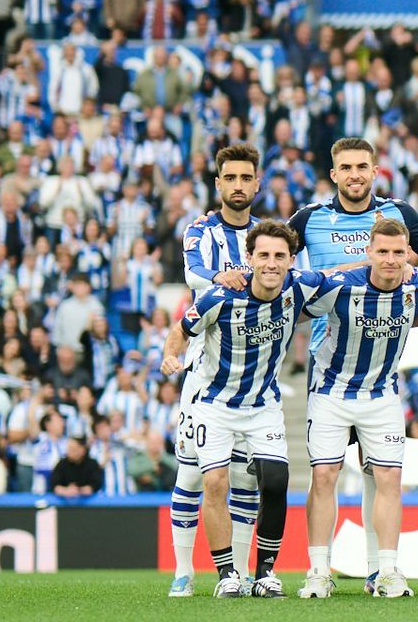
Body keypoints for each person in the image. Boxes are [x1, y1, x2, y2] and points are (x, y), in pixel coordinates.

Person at [161, 221, 335, 598]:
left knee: (275, 481)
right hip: (215, 404)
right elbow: (182, 328)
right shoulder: (219, 296)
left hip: (263, 405)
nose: (271, 264)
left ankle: (265, 574)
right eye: (264, 255)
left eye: (279, 256)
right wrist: (169, 356)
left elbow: (341, 274)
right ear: (249, 258)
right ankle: (227, 574)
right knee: (214, 483)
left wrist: (394, 267)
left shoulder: (299, 285)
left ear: (291, 260)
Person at [297, 219, 418, 600]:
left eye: (399, 252)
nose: (390, 259)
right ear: (368, 252)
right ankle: (318, 571)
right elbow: (295, 304)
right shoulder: (340, 287)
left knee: (389, 480)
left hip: (381, 396)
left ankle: (387, 571)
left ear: (409, 254)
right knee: (325, 476)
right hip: (331, 393)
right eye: (382, 251)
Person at [170, 143, 266, 597]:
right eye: (231, 178)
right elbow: (193, 274)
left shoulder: (269, 237)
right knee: (192, 474)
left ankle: (240, 573)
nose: (239, 186)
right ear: (218, 184)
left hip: (252, 380)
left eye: (246, 178)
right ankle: (184, 570)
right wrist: (221, 278)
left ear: (257, 183)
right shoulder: (201, 230)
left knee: (248, 479)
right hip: (204, 375)